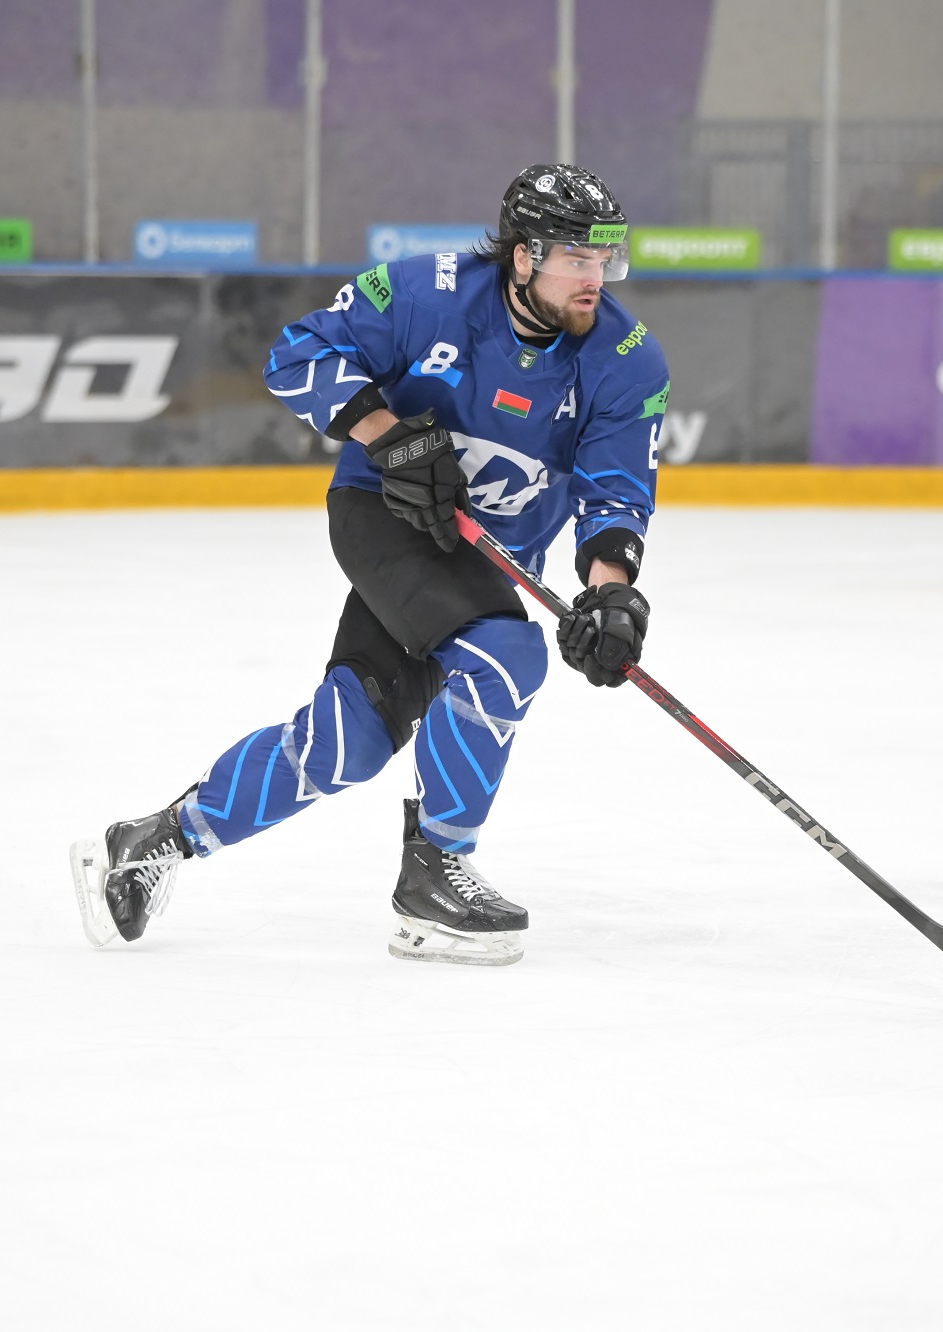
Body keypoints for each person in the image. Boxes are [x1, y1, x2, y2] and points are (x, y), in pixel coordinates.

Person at [70, 164, 670, 967]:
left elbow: (615, 494)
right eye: (575, 258)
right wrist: (389, 436)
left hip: (482, 561)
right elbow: (297, 353)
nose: (594, 277)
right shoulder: (430, 293)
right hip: (385, 516)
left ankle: (152, 842)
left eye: (604, 259)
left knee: (347, 740)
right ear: (524, 256)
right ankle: (435, 871)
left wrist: (610, 598)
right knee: (507, 655)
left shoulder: (627, 360)